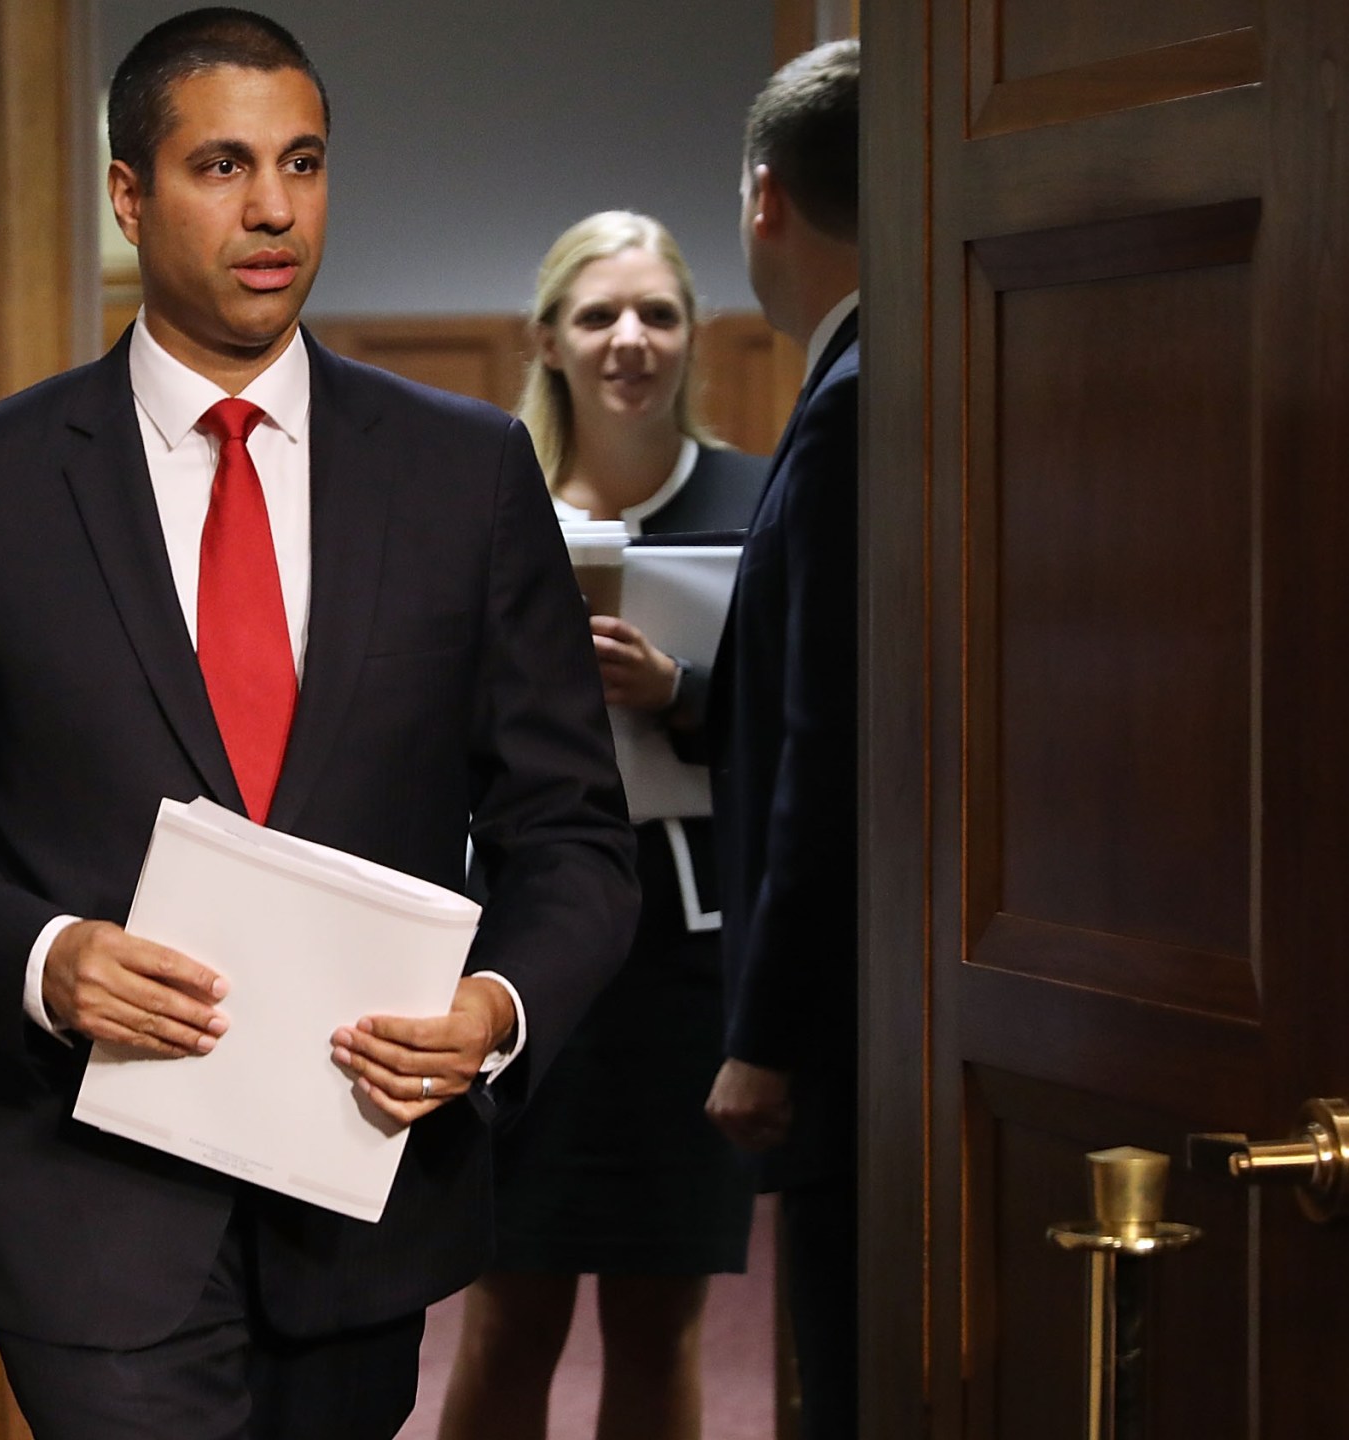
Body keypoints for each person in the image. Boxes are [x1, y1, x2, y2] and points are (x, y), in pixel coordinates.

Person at [0, 10, 638, 1440]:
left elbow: (569, 835)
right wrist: (46, 957)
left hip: (360, 1192)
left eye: (303, 161)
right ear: (130, 196)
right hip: (79, 1195)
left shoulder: (467, 474)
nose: (272, 207)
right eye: (221, 165)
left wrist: (493, 1014)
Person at [437, 212, 762, 1440]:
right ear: (550, 342)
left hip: (686, 957)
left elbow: (813, 729)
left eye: (658, 314)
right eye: (598, 315)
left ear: (692, 338)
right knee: (506, 1311)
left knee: (657, 1314)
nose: (631, 339)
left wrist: (677, 693)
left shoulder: (755, 497)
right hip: (519, 946)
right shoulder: (485, 498)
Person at [699, 38, 863, 1440]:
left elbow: (830, 750)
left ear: (767, 200)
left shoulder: (853, 403)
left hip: (850, 1028)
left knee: (852, 1380)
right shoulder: (882, 373)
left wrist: (765, 1031)